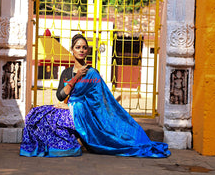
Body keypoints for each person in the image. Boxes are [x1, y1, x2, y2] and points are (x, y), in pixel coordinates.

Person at [20, 34, 171, 158]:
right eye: (78, 47)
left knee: (54, 118)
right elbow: (60, 96)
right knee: (37, 114)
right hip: (69, 108)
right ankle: (59, 145)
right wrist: (76, 77)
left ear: (87, 51)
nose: (81, 50)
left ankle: (69, 147)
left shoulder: (93, 74)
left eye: (84, 48)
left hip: (82, 114)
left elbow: (99, 102)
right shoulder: (66, 73)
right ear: (72, 49)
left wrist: (73, 106)